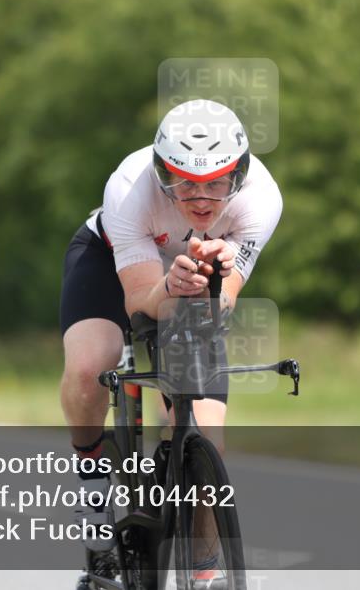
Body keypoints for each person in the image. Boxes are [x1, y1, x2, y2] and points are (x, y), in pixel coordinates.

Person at [59, 99, 283, 578]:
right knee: (89, 369)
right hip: (112, 263)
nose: (201, 198)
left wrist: (215, 280)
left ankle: (204, 572)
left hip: (195, 279)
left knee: (205, 432)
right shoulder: (128, 188)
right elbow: (139, 299)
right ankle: (93, 492)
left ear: (239, 176)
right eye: (183, 183)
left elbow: (223, 303)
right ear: (161, 172)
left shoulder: (262, 199)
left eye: (217, 182)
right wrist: (169, 285)